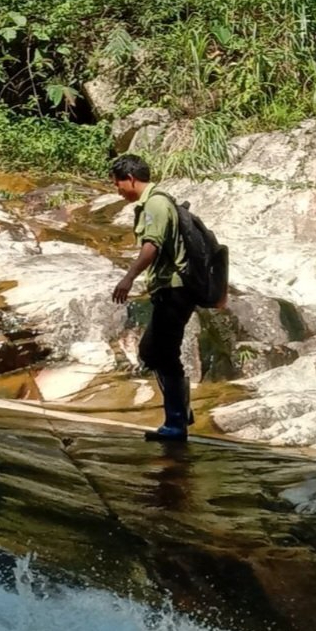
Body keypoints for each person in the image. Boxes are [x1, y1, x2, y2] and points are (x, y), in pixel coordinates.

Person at [109, 154, 195, 441]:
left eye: (118, 184)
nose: (117, 190)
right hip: (170, 289)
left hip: (175, 289)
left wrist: (128, 277)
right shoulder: (157, 201)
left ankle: (176, 423)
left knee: (162, 353)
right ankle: (181, 413)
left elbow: (151, 246)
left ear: (130, 179)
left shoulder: (156, 204)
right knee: (154, 351)